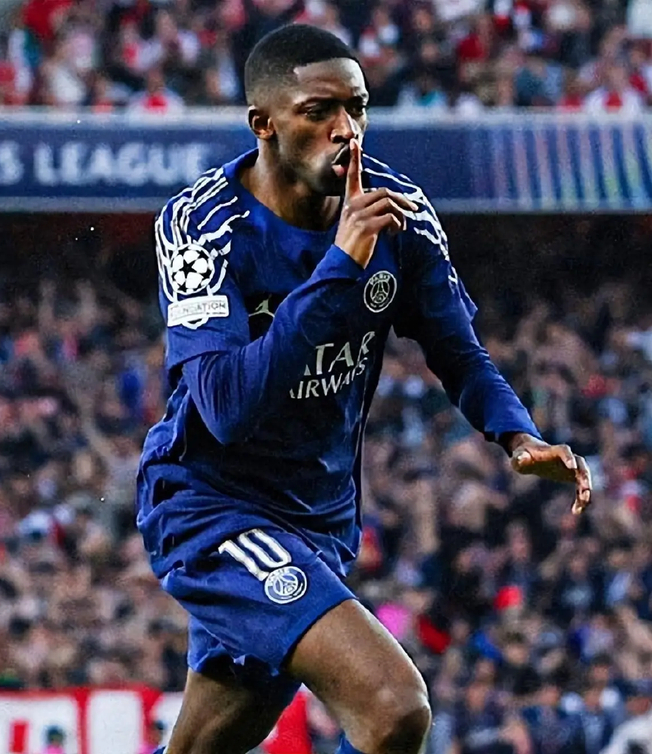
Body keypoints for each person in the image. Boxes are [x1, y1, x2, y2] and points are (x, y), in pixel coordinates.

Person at [137, 23, 592, 754]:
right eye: (318, 111)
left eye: (357, 107)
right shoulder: (201, 228)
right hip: (210, 508)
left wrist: (517, 434)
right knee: (393, 707)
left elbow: (458, 351)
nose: (345, 130)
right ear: (264, 124)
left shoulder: (399, 211)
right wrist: (339, 267)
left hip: (318, 519)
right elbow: (224, 407)